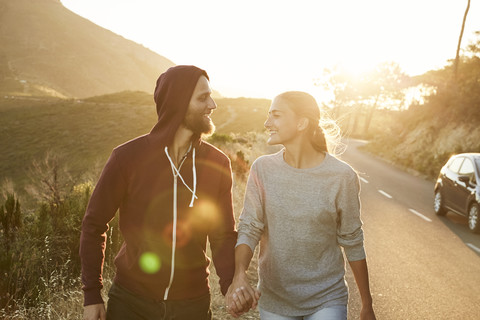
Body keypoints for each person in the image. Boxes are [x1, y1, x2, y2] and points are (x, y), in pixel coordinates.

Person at [80, 65, 240, 320]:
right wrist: (92, 295)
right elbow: (94, 224)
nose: (212, 104)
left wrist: (230, 285)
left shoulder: (217, 163)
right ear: (177, 103)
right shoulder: (127, 158)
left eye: (210, 95)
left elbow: (222, 235)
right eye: (202, 97)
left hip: (193, 304)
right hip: (131, 302)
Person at [226, 91, 376, 320]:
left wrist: (367, 305)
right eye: (268, 116)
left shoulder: (341, 176)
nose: (267, 123)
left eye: (276, 115)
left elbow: (353, 240)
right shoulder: (262, 169)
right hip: (276, 298)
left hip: (327, 297)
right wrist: (240, 275)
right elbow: (249, 227)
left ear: (301, 123)